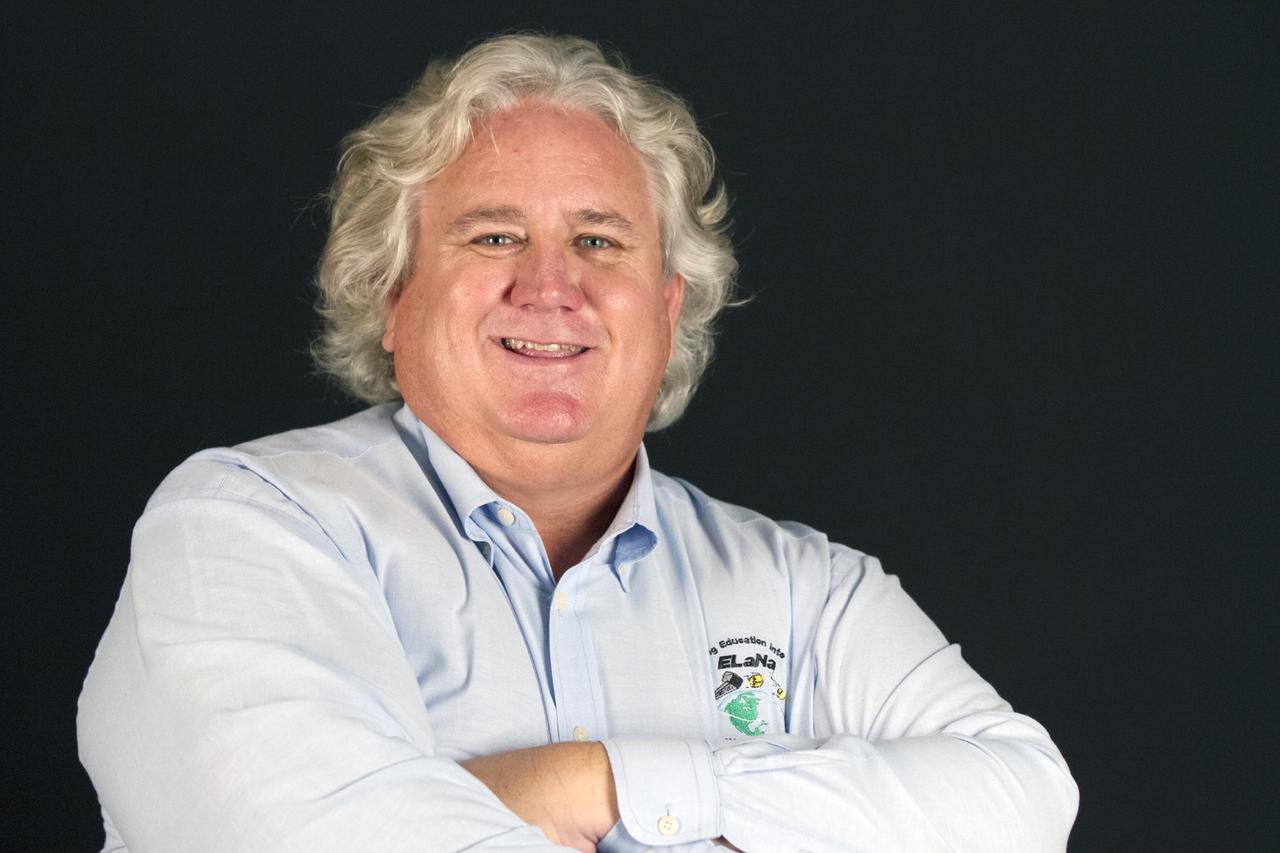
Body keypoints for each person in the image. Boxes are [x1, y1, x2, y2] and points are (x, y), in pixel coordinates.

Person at [78, 33, 1078, 852]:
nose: (548, 286)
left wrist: (590, 781)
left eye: (599, 239)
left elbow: (1026, 802)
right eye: (493, 235)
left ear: (665, 303)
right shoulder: (245, 530)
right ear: (390, 292)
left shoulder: (801, 589)